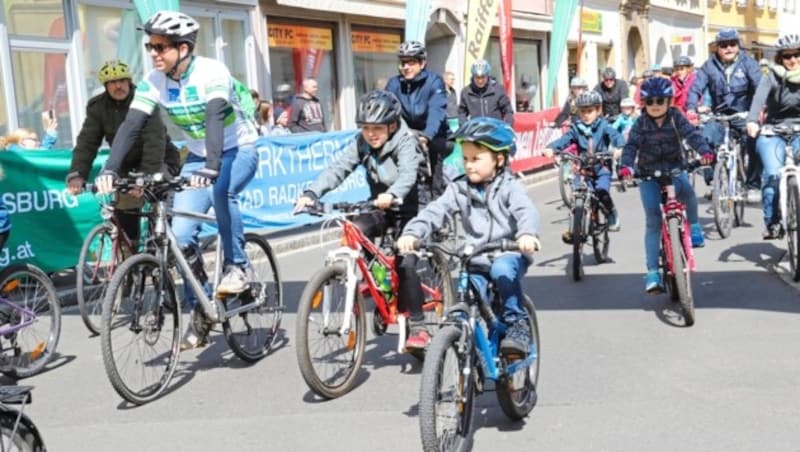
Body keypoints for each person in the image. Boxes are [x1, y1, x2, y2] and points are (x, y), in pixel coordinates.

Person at [94, 10, 260, 349]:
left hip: (237, 149)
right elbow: (131, 125)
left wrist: (212, 167)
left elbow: (215, 117)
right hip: (199, 156)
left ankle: (237, 267)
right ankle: (200, 304)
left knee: (222, 191)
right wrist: (110, 169)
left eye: (161, 47)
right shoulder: (155, 81)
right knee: (180, 235)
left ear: (183, 49)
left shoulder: (212, 71)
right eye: (150, 46)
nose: (154, 53)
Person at [293, 90, 427, 347]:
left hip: (408, 206)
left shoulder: (404, 141)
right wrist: (311, 193)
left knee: (405, 263)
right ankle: (376, 283)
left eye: (377, 128)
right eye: (365, 128)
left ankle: (419, 325)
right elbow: (338, 169)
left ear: (392, 125)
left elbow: (408, 174)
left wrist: (393, 193)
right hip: (378, 205)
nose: (371, 134)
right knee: (356, 228)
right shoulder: (362, 142)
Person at [397, 117, 541, 356]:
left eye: (476, 159)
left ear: (499, 159)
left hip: (508, 252)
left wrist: (526, 234)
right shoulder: (458, 188)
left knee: (502, 271)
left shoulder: (509, 186)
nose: (469, 165)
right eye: (465, 159)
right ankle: (466, 340)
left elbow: (526, 210)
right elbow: (436, 210)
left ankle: (518, 324)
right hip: (475, 255)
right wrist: (413, 232)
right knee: (468, 290)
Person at [66, 59, 181, 243]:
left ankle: (165, 254)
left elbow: (154, 141)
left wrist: (146, 176)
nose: (118, 86)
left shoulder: (145, 98)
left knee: (160, 216)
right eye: (112, 82)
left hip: (159, 160)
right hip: (127, 164)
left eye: (122, 80)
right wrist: (77, 173)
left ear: (129, 81)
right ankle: (132, 263)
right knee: (125, 217)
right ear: (105, 86)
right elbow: (87, 143)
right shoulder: (98, 107)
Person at [618, 77, 713, 293]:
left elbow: (692, 135)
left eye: (660, 100)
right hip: (648, 175)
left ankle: (695, 227)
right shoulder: (640, 123)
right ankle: (653, 272)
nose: (655, 105)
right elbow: (631, 146)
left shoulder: (675, 117)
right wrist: (626, 167)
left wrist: (704, 151)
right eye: (650, 102)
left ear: (669, 101)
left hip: (675, 169)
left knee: (688, 193)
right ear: (643, 104)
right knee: (652, 221)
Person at [686, 28, 762, 191]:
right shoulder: (709, 66)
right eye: (723, 45)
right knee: (705, 138)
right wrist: (691, 108)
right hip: (719, 115)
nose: (728, 48)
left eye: (732, 44)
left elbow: (759, 86)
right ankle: (714, 176)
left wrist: (759, 110)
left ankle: (753, 183)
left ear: (738, 46)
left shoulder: (748, 63)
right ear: (717, 48)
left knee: (755, 141)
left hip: (744, 114)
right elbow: (696, 88)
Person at [544, 91, 625, 233]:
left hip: (602, 168)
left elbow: (616, 135)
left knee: (601, 192)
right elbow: (564, 140)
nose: (586, 115)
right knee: (577, 194)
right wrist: (551, 148)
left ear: (598, 110)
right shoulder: (576, 128)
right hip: (583, 169)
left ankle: (612, 213)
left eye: (590, 111)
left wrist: (619, 147)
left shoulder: (604, 126)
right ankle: (575, 226)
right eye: (583, 112)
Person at [746, 34, 800, 239]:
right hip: (773, 131)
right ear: (780, 58)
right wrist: (752, 121)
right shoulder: (771, 76)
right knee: (772, 174)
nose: (793, 60)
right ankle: (773, 222)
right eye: (787, 56)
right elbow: (759, 98)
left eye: (796, 55)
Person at [385, 40, 449, 202]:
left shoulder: (434, 81)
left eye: (411, 62)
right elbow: (387, 109)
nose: (405, 67)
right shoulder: (394, 84)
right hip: (408, 135)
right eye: (403, 63)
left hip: (435, 135)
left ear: (422, 63)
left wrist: (426, 136)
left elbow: (437, 110)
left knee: (433, 180)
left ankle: (438, 211)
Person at [457, 59, 514, 125]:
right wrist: (464, 126)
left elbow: (508, 110)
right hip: (476, 131)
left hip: (495, 130)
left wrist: (507, 125)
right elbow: (461, 112)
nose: (480, 81)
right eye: (477, 77)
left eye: (483, 77)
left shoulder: (498, 89)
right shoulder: (466, 92)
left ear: (487, 76)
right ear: (473, 76)